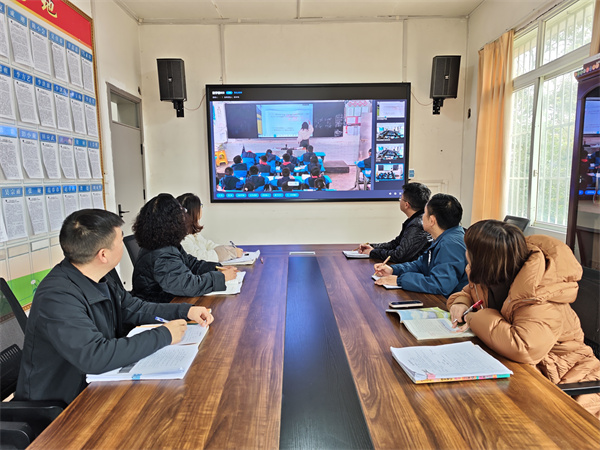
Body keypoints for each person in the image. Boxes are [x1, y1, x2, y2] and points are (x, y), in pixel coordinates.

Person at [15, 209, 214, 404]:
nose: (124, 243)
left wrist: (185, 310)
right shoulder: (57, 296)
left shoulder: (101, 274)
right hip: (64, 405)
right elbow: (94, 356)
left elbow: (134, 308)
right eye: (120, 240)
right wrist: (164, 335)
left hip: (99, 384)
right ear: (103, 255)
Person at [447, 220, 600, 419]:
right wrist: (461, 302)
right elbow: (469, 292)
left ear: (483, 259)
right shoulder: (494, 273)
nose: (465, 254)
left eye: (468, 250)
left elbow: (524, 347)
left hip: (567, 379)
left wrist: (475, 317)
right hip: (524, 371)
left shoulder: (539, 294)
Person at [132, 194, 237, 303]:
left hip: (169, 302)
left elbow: (190, 263)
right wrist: (220, 278)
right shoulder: (162, 255)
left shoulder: (163, 244)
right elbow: (188, 285)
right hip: (161, 306)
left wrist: (216, 268)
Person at [374, 193, 468, 297]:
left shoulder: (451, 244)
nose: (422, 217)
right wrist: (393, 270)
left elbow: (440, 285)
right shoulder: (445, 237)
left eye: (424, 213)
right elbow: (421, 264)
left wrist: (399, 280)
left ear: (432, 220)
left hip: (446, 303)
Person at [358, 183, 432, 264]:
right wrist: (373, 247)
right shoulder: (416, 219)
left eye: (401, 199)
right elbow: (395, 244)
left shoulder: (417, 225)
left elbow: (399, 255)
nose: (399, 201)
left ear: (406, 205)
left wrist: (372, 252)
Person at [177, 193, 243, 263]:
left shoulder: (192, 232)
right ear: (193, 211)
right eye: (200, 206)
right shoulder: (182, 239)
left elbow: (207, 245)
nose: (201, 208)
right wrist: (230, 253)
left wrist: (228, 249)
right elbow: (199, 258)